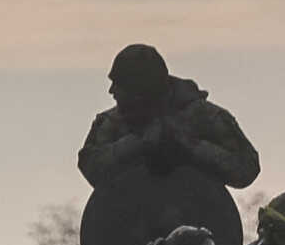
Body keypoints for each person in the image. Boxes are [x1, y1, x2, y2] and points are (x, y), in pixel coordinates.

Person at [78, 45, 260, 195]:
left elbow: (246, 168)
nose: (112, 91)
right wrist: (137, 143)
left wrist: (190, 145)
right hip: (132, 228)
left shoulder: (205, 118)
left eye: (120, 84)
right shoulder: (110, 124)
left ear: (140, 90)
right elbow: (91, 167)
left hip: (199, 221)